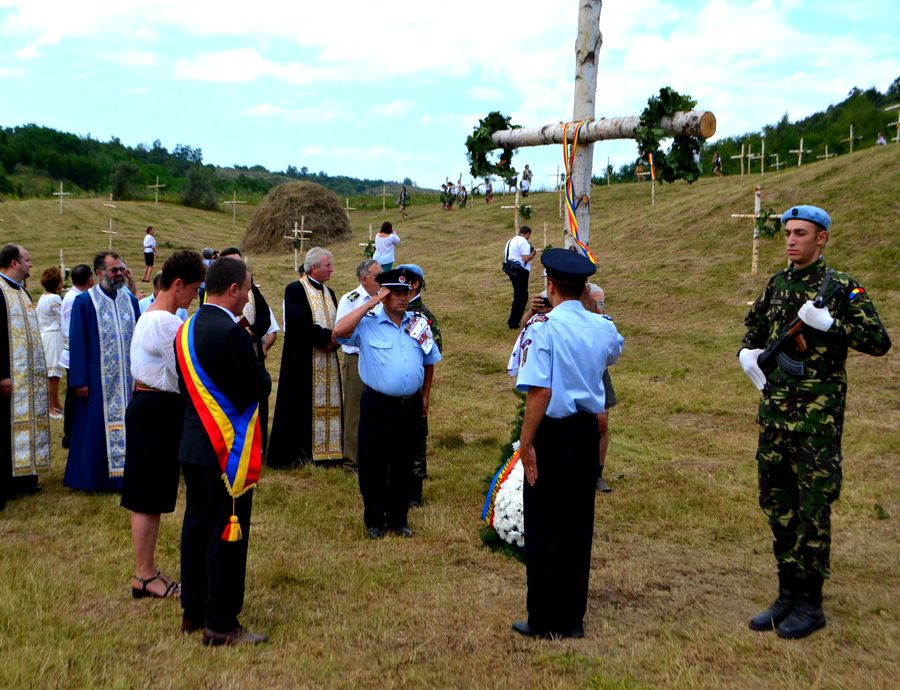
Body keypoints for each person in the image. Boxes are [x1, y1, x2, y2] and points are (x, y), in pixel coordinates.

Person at [739, 205, 890, 639]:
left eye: (800, 233)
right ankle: (786, 593)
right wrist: (746, 353)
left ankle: (810, 602)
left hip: (816, 423)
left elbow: (879, 341)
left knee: (812, 510)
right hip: (775, 416)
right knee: (778, 505)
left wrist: (832, 325)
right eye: (788, 232)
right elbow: (754, 329)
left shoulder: (842, 287)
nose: (791, 240)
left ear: (821, 238)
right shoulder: (776, 284)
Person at [509, 248, 623, 639]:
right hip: (586, 432)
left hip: (552, 432)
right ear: (585, 287)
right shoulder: (602, 326)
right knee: (577, 524)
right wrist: (589, 307)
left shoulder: (544, 328)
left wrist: (526, 443)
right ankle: (573, 618)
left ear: (551, 284)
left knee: (544, 524)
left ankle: (543, 617)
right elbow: (614, 350)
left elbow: (539, 390)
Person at [175, 256, 271, 646]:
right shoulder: (231, 334)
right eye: (246, 289)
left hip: (192, 444)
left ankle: (193, 610)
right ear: (233, 289)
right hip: (225, 449)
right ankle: (220, 622)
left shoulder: (186, 328)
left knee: (196, 528)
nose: (248, 296)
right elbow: (259, 385)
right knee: (226, 533)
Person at [333, 267, 441, 539]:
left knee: (404, 463)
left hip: (409, 405)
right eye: (396, 292)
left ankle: (398, 519)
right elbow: (339, 331)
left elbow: (429, 360)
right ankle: (374, 520)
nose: (403, 297)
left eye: (406, 292)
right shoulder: (368, 322)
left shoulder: (418, 323)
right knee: (374, 464)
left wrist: (425, 395)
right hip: (378, 405)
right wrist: (371, 303)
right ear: (384, 294)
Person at [123, 251, 204, 600]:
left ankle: (147, 570)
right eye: (194, 289)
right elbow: (187, 372)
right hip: (157, 408)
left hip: (150, 405)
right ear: (178, 284)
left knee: (149, 494)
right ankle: (144, 574)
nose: (194, 297)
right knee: (148, 495)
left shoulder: (151, 316)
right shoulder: (166, 324)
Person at [64, 251, 141, 492]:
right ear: (99, 273)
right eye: (113, 270)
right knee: (95, 429)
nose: (119, 274)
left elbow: (139, 339)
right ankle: (96, 478)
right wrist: (79, 380)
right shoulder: (85, 302)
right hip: (98, 380)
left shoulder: (130, 301)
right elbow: (78, 342)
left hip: (127, 381)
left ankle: (126, 475)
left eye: (121, 269)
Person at [267, 247, 342, 467]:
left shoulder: (330, 293)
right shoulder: (295, 290)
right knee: (300, 406)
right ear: (314, 267)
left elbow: (338, 323)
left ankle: (330, 452)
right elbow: (298, 324)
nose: (332, 269)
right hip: (303, 362)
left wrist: (334, 341)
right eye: (328, 265)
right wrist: (326, 339)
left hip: (328, 360)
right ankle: (300, 455)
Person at [0, 244, 51, 511]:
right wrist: (3, 375)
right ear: (14, 263)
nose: (31, 264)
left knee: (28, 424)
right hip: (10, 378)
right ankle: (7, 480)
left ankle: (25, 476)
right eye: (27, 260)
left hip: (28, 377)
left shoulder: (22, 291)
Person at [218, 247, 280, 454]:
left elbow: (264, 317)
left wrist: (252, 332)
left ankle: (258, 446)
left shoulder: (253, 290)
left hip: (251, 349)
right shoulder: (216, 289)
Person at [396, 263, 443, 506]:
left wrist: (425, 394)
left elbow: (431, 356)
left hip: (414, 390)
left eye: (404, 283)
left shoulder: (423, 316)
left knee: (415, 440)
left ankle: (414, 493)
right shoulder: (393, 311)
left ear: (414, 284)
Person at [335, 260, 382, 469]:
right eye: (377, 276)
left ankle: (373, 458)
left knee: (377, 410)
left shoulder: (383, 299)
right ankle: (351, 462)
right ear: (364, 279)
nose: (382, 280)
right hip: (356, 359)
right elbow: (342, 330)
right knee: (354, 412)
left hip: (378, 360)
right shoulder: (351, 299)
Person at [59, 263, 93, 449]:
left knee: (73, 397)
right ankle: (70, 434)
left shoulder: (71, 295)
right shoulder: (76, 299)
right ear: (90, 280)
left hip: (72, 351)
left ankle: (72, 432)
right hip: (74, 353)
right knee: (74, 398)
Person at [36, 266, 65, 417]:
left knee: (55, 374)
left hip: (46, 335)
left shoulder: (43, 297)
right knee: (52, 374)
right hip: (53, 336)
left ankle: (56, 403)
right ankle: (49, 407)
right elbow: (62, 319)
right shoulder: (54, 298)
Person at [504, 225, 537, 329]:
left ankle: (513, 320)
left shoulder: (511, 240)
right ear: (528, 233)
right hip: (520, 271)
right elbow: (526, 258)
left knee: (518, 295)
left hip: (510, 269)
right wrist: (533, 254)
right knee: (522, 297)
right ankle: (514, 322)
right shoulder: (523, 241)